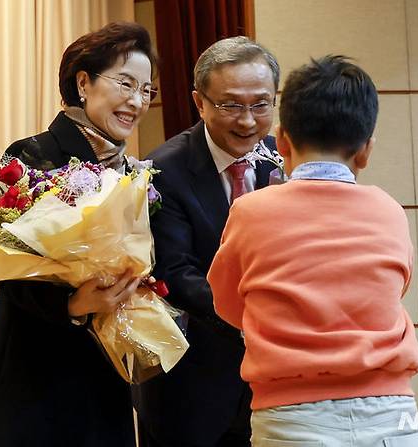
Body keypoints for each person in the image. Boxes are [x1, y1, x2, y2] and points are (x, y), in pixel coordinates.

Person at [207, 55, 418, 447]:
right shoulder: (389, 210)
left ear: (282, 139)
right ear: (366, 150)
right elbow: (393, 289)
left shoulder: (251, 211)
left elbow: (227, 303)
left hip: (291, 416)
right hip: (391, 411)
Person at [0, 22, 157, 447]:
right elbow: (8, 269)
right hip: (35, 364)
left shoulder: (136, 173)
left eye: (146, 90)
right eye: (126, 84)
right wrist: (72, 304)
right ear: (83, 82)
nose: (137, 101)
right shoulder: (32, 155)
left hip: (105, 369)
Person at [132, 37, 280, 447]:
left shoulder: (283, 162)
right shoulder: (163, 170)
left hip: (276, 389)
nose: (248, 121)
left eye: (261, 104)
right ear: (200, 102)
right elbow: (177, 273)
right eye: (231, 105)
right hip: (193, 388)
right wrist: (259, 320)